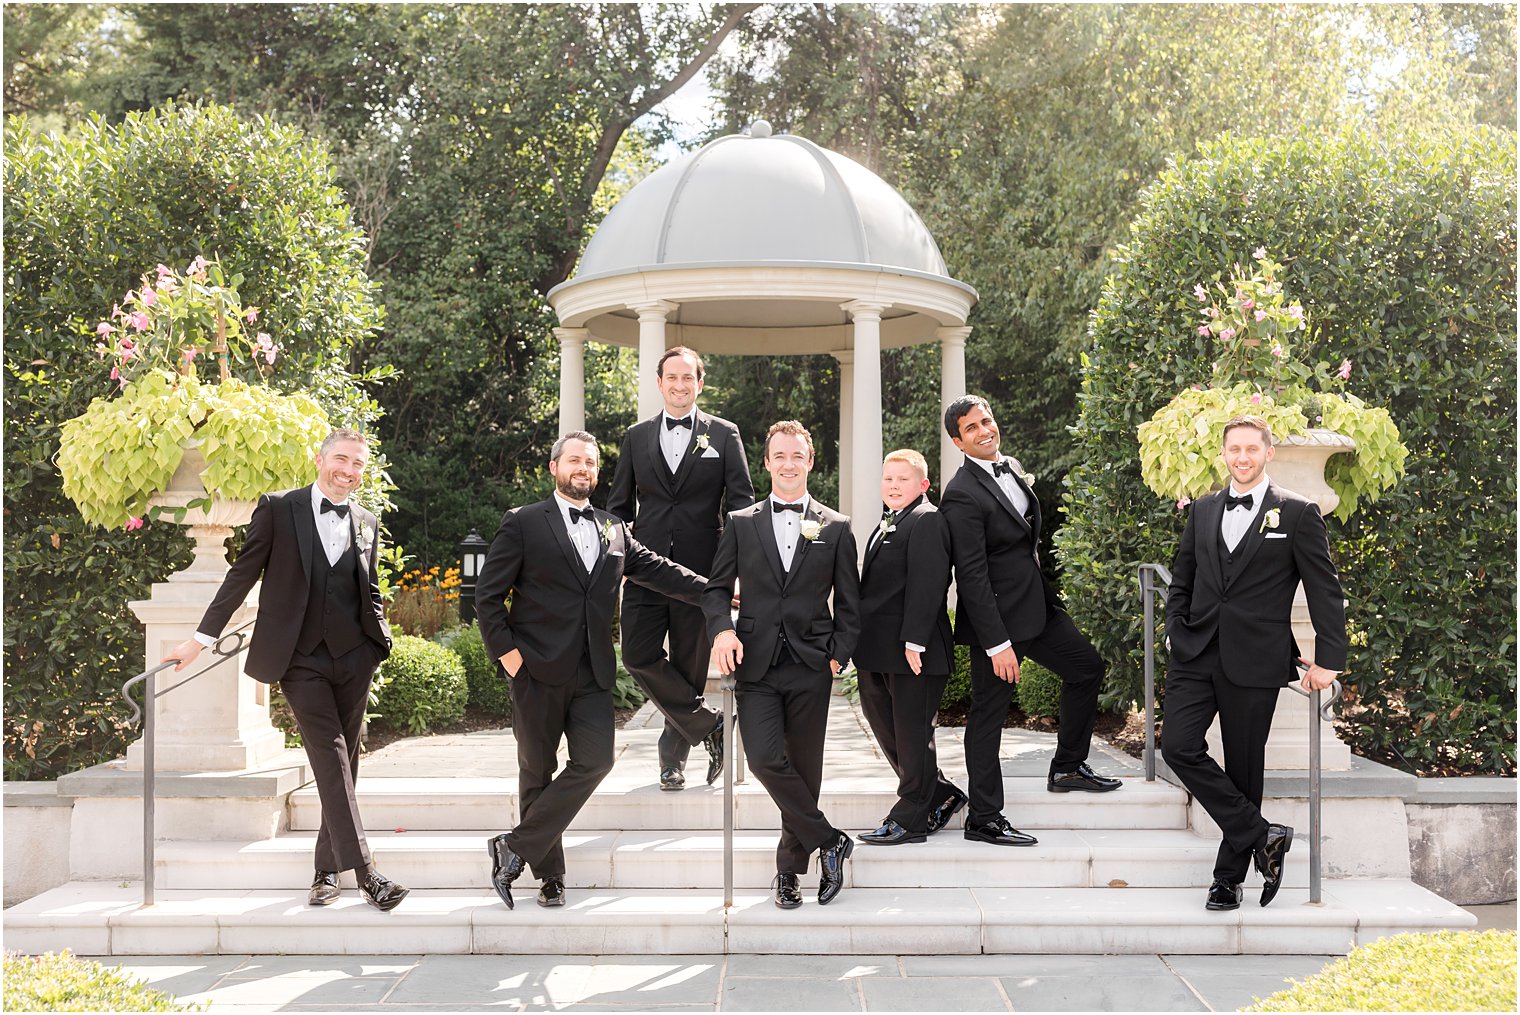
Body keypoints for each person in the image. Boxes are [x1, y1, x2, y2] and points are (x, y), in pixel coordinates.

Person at [165, 428, 407, 912]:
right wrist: (200, 639)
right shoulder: (279, 508)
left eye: (358, 464)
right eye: (341, 459)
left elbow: (369, 586)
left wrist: (378, 641)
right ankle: (366, 874)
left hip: (355, 656)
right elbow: (242, 574)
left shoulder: (366, 520)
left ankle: (324, 871)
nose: (349, 471)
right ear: (320, 459)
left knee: (346, 761)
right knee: (331, 751)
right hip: (300, 658)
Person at [475, 431, 705, 910]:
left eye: (592, 463)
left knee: (596, 761)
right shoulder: (523, 522)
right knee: (536, 771)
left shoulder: (614, 527)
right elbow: (488, 596)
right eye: (575, 460)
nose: (584, 469)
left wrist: (716, 590)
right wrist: (509, 658)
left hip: (594, 672)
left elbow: (658, 570)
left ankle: (513, 847)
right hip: (534, 670)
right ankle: (550, 876)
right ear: (554, 467)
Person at [1163, 415, 1346, 911]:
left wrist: (1328, 659)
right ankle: (1262, 834)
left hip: (1257, 659)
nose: (1241, 457)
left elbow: (1324, 589)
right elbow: (1184, 575)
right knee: (1176, 746)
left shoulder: (1298, 512)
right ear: (1224, 454)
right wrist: (1175, 627)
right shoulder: (1202, 510)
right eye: (1233, 449)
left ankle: (1227, 879)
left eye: (1251, 449)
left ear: (1268, 453)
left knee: (1245, 769)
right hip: (1196, 652)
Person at [939, 395, 1123, 850]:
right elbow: (973, 574)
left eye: (988, 420)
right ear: (957, 441)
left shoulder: (1010, 469)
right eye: (972, 428)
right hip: (997, 622)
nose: (985, 431)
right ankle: (983, 817)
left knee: (1086, 668)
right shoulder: (961, 493)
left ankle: (1067, 767)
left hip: (1035, 608)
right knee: (988, 715)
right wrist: (996, 642)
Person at [704, 420, 861, 908]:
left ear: (810, 461)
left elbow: (851, 605)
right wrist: (722, 630)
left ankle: (788, 872)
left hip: (812, 663)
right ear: (767, 462)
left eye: (798, 456)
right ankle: (830, 840)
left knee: (806, 770)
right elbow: (714, 591)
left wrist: (839, 654)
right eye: (780, 456)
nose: (789, 464)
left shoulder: (835, 527)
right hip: (755, 663)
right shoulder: (740, 522)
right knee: (764, 758)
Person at [607, 346, 754, 791]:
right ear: (659, 383)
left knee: (690, 669)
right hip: (645, 569)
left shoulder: (724, 435)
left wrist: (738, 569)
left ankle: (671, 762)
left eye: (688, 377)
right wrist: (619, 561)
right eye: (672, 377)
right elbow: (616, 509)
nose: (679, 384)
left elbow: (742, 505)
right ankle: (709, 726)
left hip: (703, 575)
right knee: (636, 655)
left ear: (700, 383)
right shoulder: (636, 436)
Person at [854, 449, 965, 845]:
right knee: (887, 729)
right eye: (888, 479)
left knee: (913, 733)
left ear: (923, 485)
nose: (894, 486)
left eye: (903, 480)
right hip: (876, 651)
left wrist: (914, 641)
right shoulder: (886, 523)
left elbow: (929, 583)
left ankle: (910, 818)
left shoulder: (928, 519)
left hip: (912, 650)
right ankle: (938, 792)